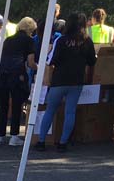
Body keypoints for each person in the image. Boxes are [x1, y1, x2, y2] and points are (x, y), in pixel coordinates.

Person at [36, 13, 96, 153]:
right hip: (77, 81)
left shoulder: (61, 40)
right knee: (70, 112)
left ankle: (42, 141)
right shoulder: (87, 41)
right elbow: (92, 61)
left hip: (59, 80)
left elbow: (51, 61)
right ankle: (63, 142)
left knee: (50, 110)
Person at [0, 17, 38, 146]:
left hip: (2, 73)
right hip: (17, 73)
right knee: (17, 104)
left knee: (3, 105)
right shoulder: (29, 41)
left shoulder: (8, 40)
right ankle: (14, 136)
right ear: (30, 29)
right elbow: (30, 62)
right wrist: (39, 68)